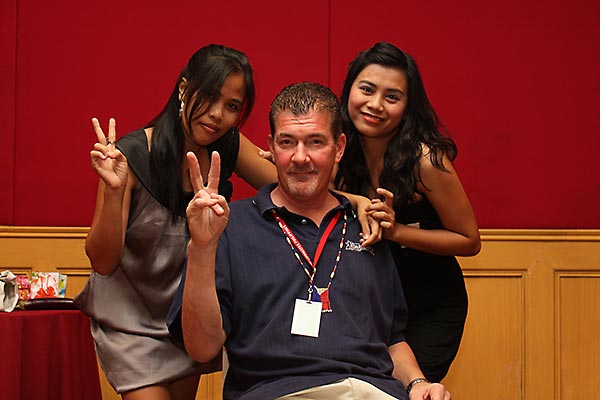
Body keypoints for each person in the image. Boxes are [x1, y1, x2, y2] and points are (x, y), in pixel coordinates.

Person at [169, 82, 452, 399]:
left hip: (372, 391)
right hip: (278, 392)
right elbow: (202, 348)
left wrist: (418, 383)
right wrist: (202, 248)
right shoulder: (228, 226)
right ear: (272, 148)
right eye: (287, 142)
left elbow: (392, 339)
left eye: (315, 142)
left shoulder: (367, 226)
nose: (300, 157)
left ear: (339, 148)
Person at [74, 44, 277, 400]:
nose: (217, 114)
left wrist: (351, 197)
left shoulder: (227, 145)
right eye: (209, 96)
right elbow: (102, 262)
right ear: (184, 88)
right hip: (129, 320)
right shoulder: (131, 155)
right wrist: (114, 191)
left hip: (183, 319)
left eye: (232, 106)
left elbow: (292, 188)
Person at [334, 42, 481, 383]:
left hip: (429, 307)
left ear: (407, 106)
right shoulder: (339, 149)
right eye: (366, 89)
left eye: (392, 96)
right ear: (349, 90)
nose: (375, 104)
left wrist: (397, 232)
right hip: (366, 307)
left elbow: (469, 240)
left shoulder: (425, 160)